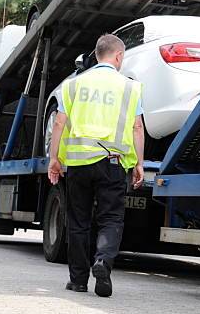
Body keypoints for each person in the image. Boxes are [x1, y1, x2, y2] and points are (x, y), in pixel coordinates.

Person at [47, 34, 144, 297]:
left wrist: (54, 158)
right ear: (118, 56)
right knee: (111, 218)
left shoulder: (73, 85)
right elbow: (137, 127)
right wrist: (138, 163)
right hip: (112, 163)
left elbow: (59, 123)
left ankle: (78, 280)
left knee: (78, 221)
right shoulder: (130, 88)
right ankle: (103, 260)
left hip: (78, 164)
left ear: (97, 54)